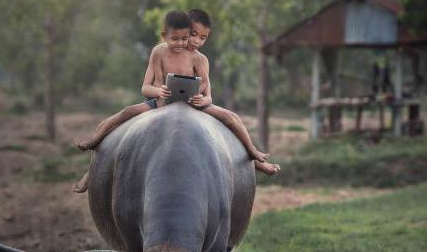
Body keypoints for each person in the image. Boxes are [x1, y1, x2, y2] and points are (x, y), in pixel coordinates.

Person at [73, 10, 279, 193]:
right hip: (160, 103)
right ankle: (92, 160)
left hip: (193, 105)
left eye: (203, 38)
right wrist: (158, 90)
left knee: (231, 117)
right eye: (193, 35)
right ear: (179, 32)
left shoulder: (200, 59)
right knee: (124, 114)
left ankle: (253, 155)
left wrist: (203, 99)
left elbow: (208, 92)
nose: (195, 41)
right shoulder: (159, 52)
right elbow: (145, 87)